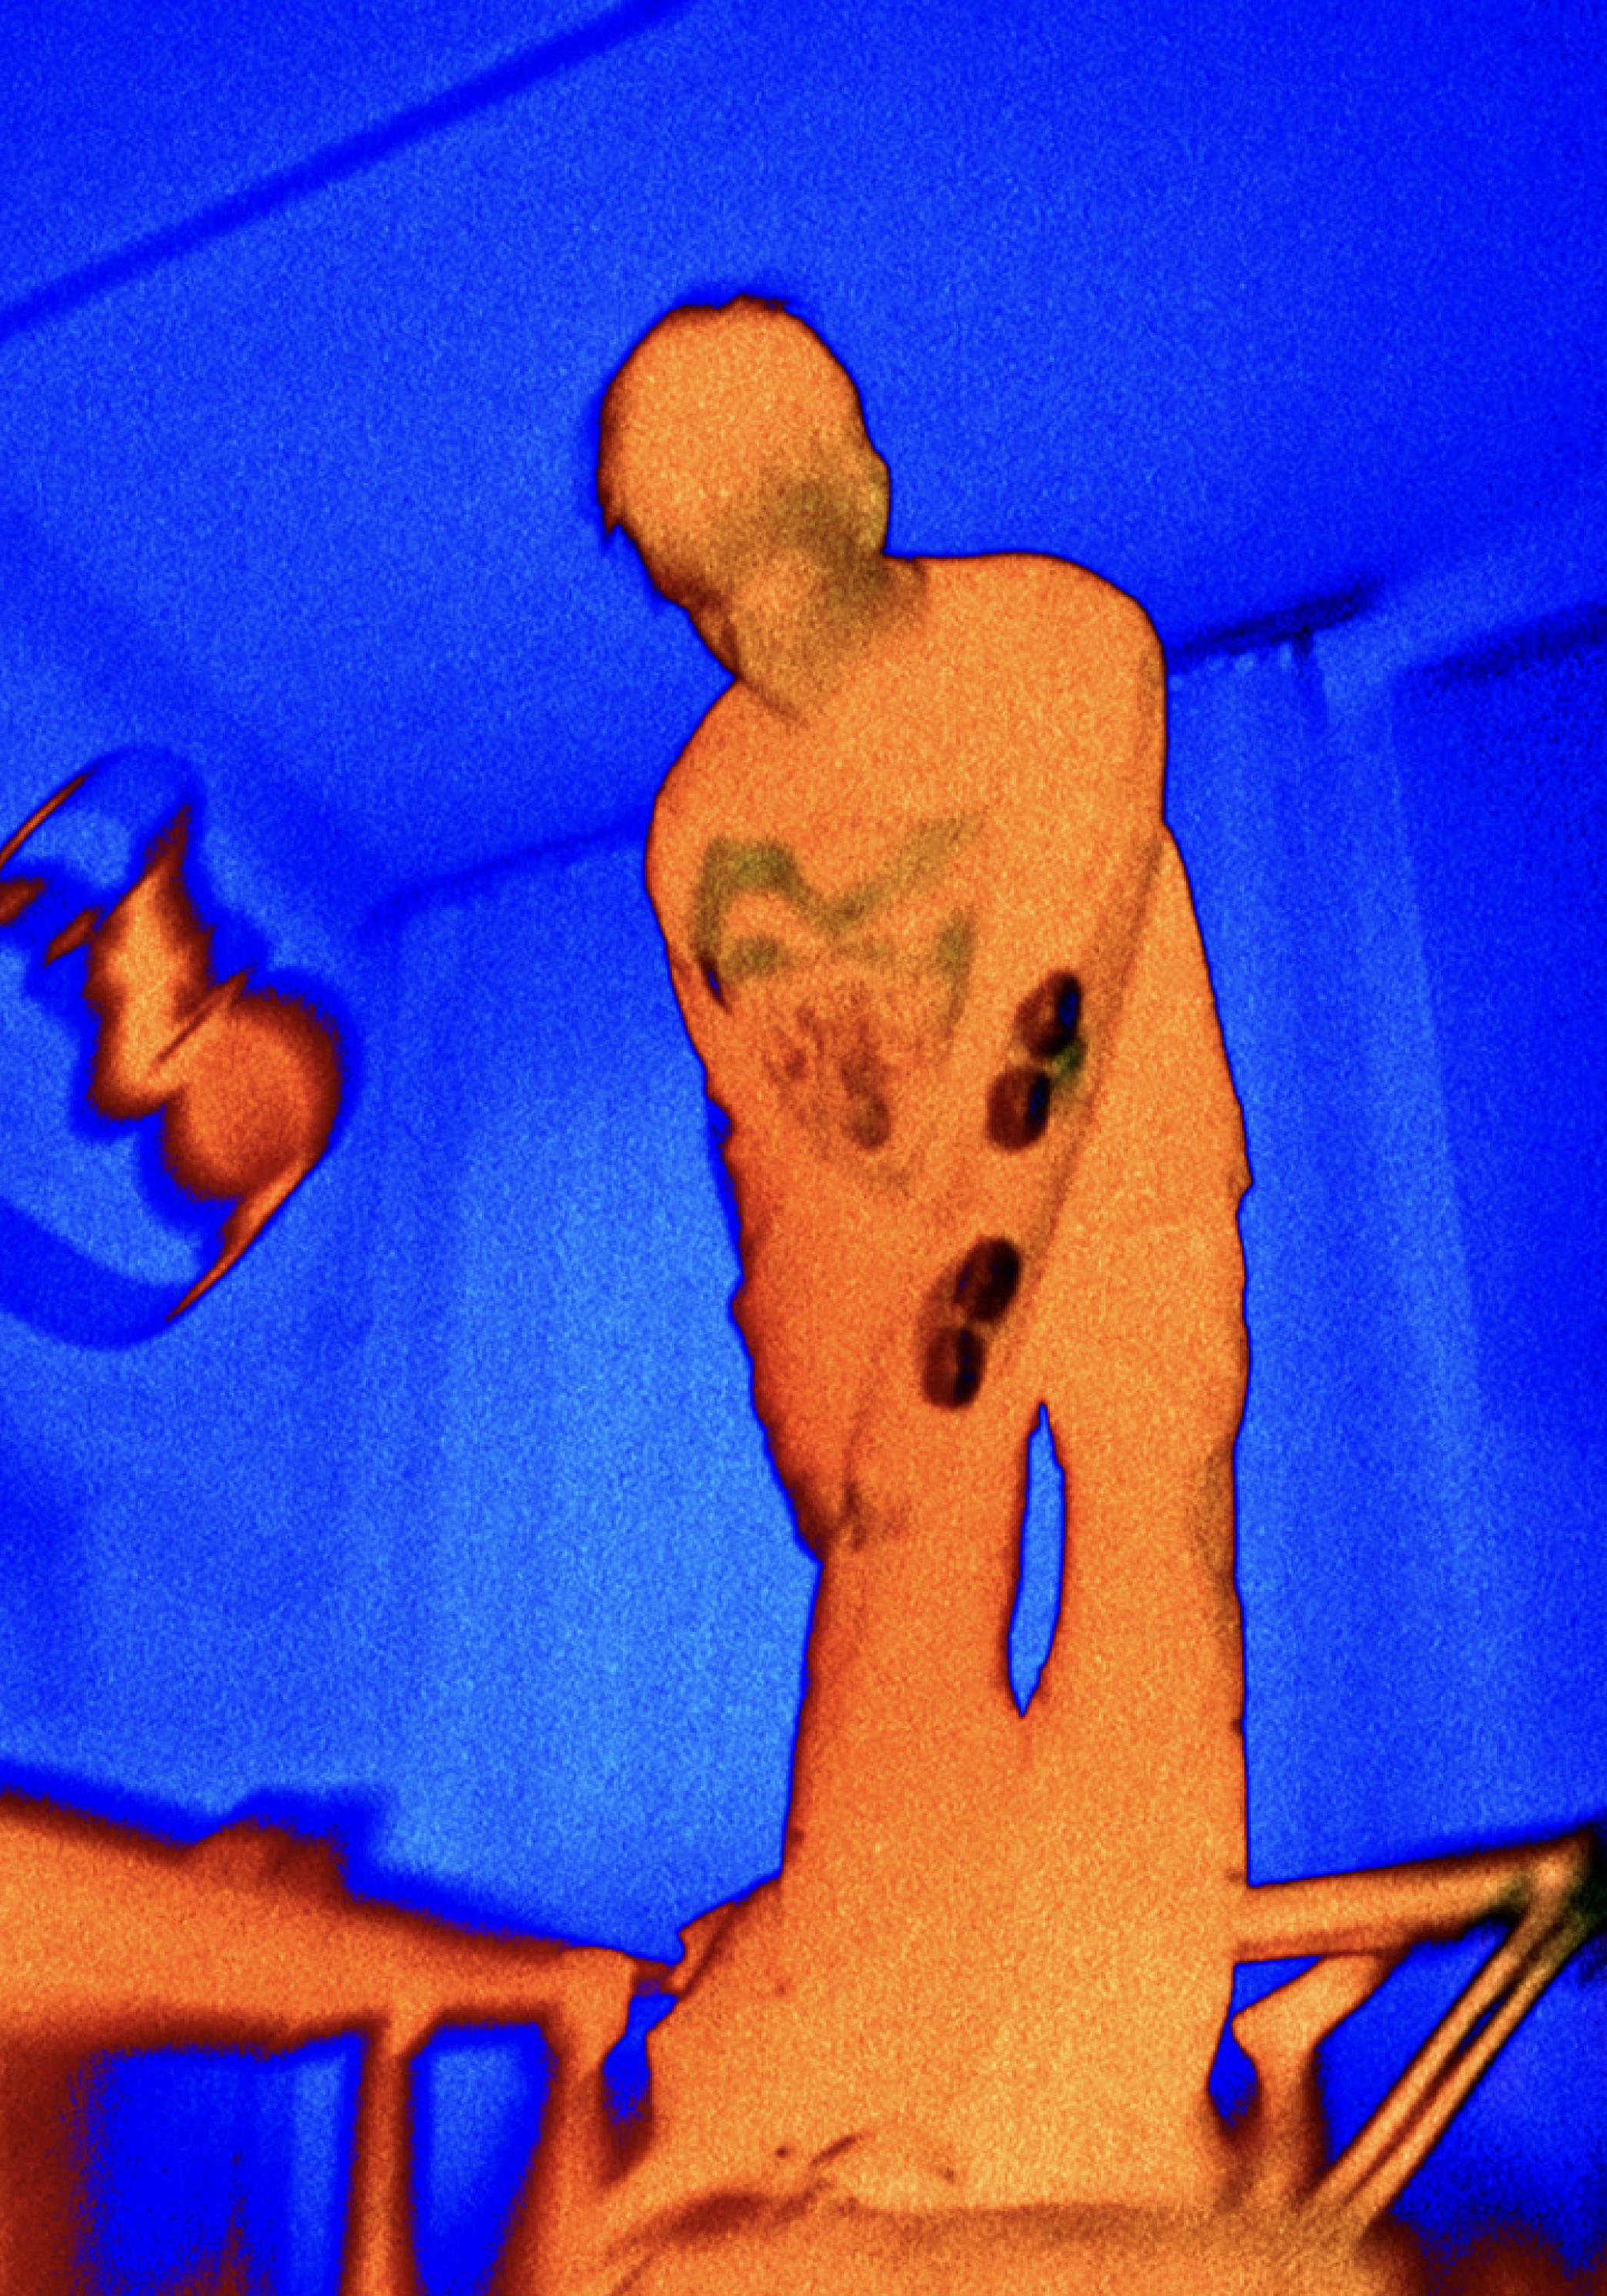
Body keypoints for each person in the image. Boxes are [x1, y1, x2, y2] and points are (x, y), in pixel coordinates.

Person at [603, 297, 1257, 2210]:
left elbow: (1057, 1009)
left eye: (764, 569)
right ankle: (872, 2080)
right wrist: (811, 1385)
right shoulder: (700, 821)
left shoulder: (1064, 644)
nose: (741, 632)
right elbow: (763, 1135)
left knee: (1142, 1569)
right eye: (697, 599)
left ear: (865, 495)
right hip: (897, 1266)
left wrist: (942, 1362)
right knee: (894, 1619)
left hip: (1119, 1200)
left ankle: (1102, 2091)